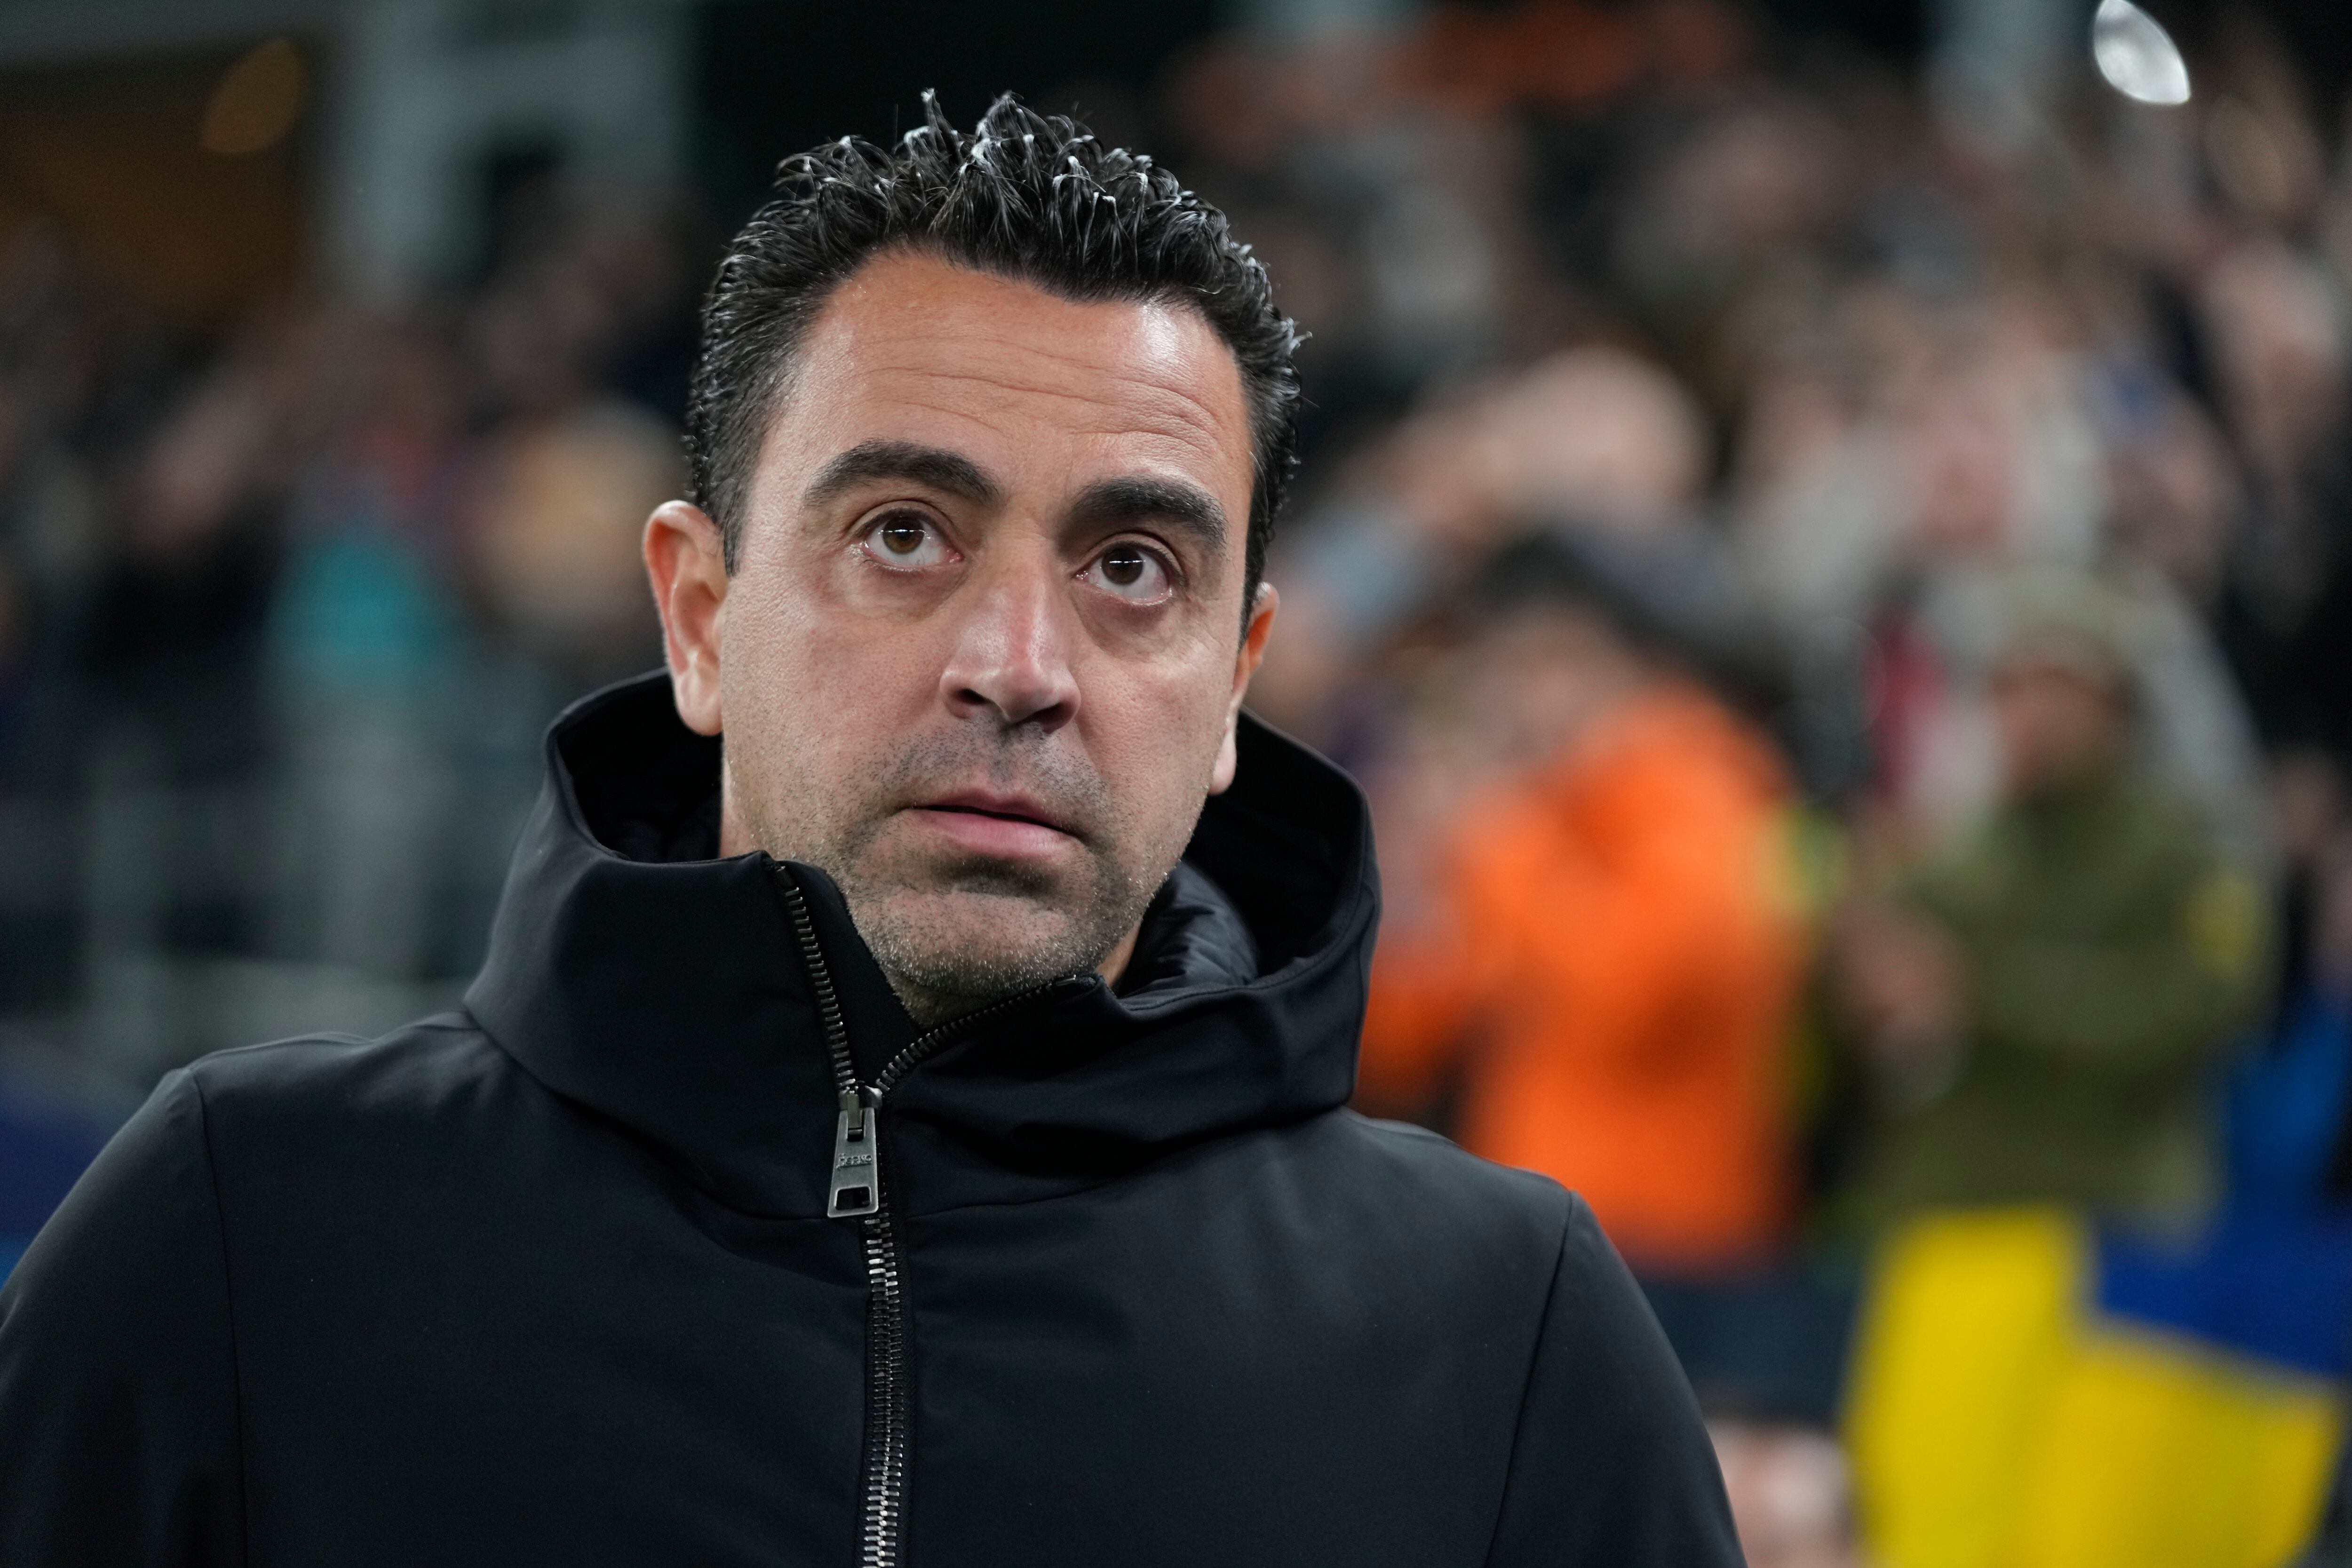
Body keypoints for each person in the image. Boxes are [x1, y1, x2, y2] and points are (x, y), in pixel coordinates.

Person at [0, 96, 1736, 1566]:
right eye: (907, 534)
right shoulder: (250, 1228)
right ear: (697, 615)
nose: (1019, 667)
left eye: (1133, 569)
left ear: (1236, 688)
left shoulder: (1507, 1337)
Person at [1833, 568, 2268, 1229]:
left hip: (2115, 1221)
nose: (2034, 711)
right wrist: (1853, 964)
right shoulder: (1953, 853)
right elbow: (1876, 1007)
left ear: (2118, 706)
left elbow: (2186, 1014)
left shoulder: (2185, 856)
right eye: (2011, 686)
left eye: (2062, 685)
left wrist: (1974, 988)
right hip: (1953, 1219)